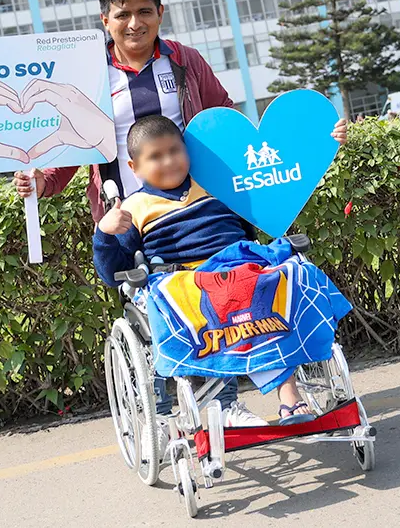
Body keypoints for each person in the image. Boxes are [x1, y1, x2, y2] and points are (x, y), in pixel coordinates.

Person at [13, 0, 349, 427]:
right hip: (136, 218)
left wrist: (316, 139)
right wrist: (41, 181)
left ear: (160, 12)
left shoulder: (185, 61)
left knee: (244, 285)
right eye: (122, 14)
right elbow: (74, 145)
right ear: (104, 20)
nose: (135, 23)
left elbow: (226, 124)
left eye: (144, 11)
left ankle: (246, 400)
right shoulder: (88, 77)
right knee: (180, 301)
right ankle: (212, 404)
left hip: (204, 206)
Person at [95, 114, 318, 425]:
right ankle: (225, 406)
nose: (169, 161)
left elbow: (251, 224)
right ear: (134, 168)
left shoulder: (218, 186)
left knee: (282, 284)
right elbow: (112, 273)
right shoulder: (134, 208)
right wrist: (104, 233)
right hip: (184, 280)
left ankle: (289, 397)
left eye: (175, 150)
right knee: (220, 304)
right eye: (155, 156)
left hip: (238, 266)